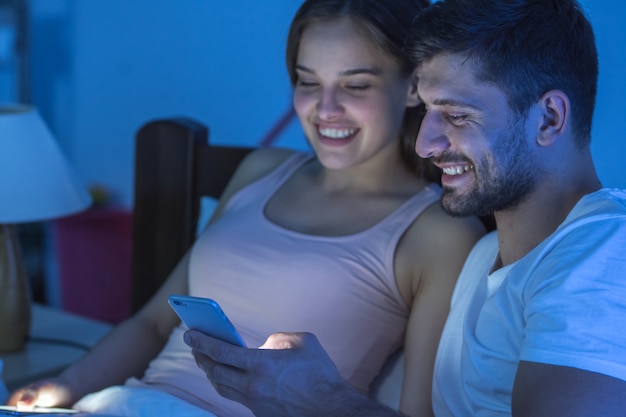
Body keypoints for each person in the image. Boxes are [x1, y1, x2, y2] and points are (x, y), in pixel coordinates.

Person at [7, 1, 485, 417]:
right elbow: (153, 322)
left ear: (412, 87)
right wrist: (58, 389)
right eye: (307, 81)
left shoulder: (436, 233)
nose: (325, 109)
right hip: (127, 403)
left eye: (355, 85)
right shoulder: (261, 170)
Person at [184, 0, 626, 416]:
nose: (425, 143)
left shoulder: (604, 256)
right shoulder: (479, 261)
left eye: (456, 116)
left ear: (548, 118)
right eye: (429, 110)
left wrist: (325, 401)